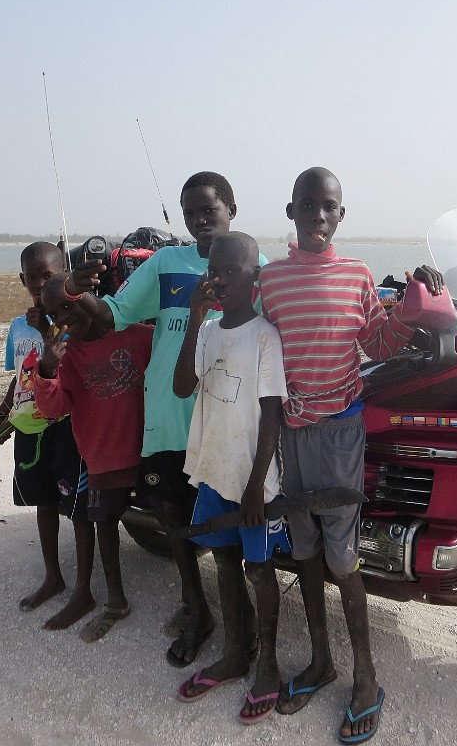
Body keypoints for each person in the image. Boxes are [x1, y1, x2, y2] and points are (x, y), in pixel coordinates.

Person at [259, 167, 444, 744]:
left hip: (340, 431)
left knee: (342, 557)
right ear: (291, 212)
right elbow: (253, 344)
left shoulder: (358, 276)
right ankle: (321, 661)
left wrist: (416, 307)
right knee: (306, 548)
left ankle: (366, 677)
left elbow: (378, 341)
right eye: (307, 206)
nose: (318, 216)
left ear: (341, 216)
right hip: (290, 433)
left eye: (328, 207)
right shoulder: (269, 281)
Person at [67, 172, 267, 666]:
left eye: (209, 210)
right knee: (175, 517)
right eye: (190, 212)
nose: (200, 220)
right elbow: (114, 314)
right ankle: (196, 607)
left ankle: (243, 625)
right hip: (168, 408)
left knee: (226, 521)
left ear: (232, 209)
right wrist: (73, 292)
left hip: (226, 416)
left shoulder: (255, 265)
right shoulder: (164, 263)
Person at [172, 232, 288, 724]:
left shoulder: (264, 335)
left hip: (251, 480)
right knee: (222, 562)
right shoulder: (209, 330)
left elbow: (271, 416)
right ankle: (235, 652)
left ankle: (268, 665)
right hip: (214, 474)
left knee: (259, 571)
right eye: (213, 271)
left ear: (255, 277)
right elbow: (182, 387)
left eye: (232, 271)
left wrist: (257, 486)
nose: (219, 280)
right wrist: (195, 318)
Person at [32, 274, 154, 642]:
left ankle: (190, 601)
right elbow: (52, 409)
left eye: (69, 305)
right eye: (55, 314)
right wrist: (49, 368)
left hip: (149, 450)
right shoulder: (63, 356)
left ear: (90, 297)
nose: (65, 319)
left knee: (171, 520)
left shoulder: (136, 335)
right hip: (102, 456)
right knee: (104, 523)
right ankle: (115, 600)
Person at [0, 241, 93, 631]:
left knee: (79, 507)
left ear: (63, 274)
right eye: (31, 278)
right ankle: (53, 577)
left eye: (47, 276)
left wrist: (46, 325)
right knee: (43, 501)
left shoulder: (73, 320)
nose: (38, 284)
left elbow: (70, 365)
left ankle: (84, 590)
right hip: (29, 427)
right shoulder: (18, 326)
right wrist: (3, 413)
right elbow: (21, 373)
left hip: (66, 427)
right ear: (22, 280)